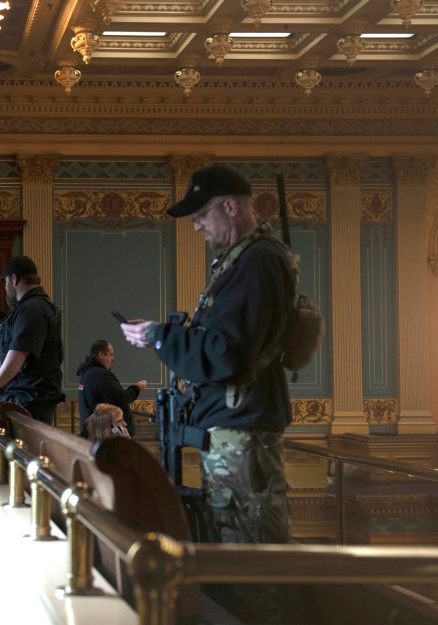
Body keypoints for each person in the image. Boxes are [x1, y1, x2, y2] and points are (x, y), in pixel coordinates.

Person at [119, 165, 297, 623]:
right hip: (233, 431)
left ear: (231, 207)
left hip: (245, 434)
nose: (196, 228)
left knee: (252, 564)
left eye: (201, 217)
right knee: (232, 553)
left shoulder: (256, 261)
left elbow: (225, 354)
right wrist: (164, 334)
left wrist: (160, 337)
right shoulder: (241, 260)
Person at [0, 255, 65, 424]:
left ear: (13, 280)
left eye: (6, 282)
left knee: (22, 450)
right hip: (24, 399)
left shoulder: (32, 309)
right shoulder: (31, 308)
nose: (6, 288)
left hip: (27, 401)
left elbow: (19, 352)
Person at [76, 339, 147, 435]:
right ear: (101, 354)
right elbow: (121, 397)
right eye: (111, 355)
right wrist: (137, 388)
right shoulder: (101, 375)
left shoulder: (87, 374)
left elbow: (112, 395)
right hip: (104, 435)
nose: (113, 358)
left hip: (93, 432)